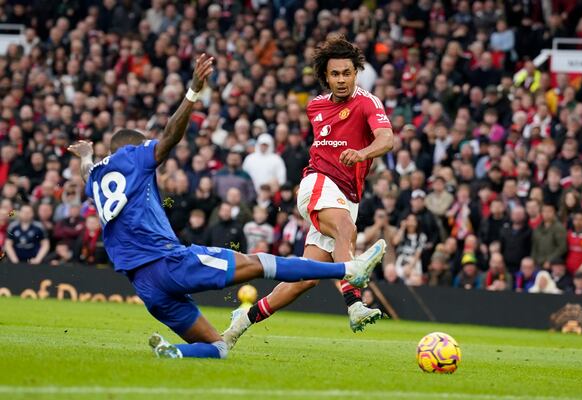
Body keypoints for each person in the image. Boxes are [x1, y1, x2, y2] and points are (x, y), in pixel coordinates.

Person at [67, 54, 386, 359]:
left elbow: (86, 171)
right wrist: (193, 90)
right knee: (261, 261)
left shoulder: (95, 176)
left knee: (218, 347)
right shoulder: (134, 156)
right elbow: (168, 138)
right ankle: (351, 281)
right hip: (170, 263)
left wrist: (85, 156)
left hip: (144, 285)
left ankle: (184, 347)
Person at [224, 35, 394, 346]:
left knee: (307, 278)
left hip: (346, 194)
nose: (341, 80)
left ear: (356, 72)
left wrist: (362, 153)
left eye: (346, 73)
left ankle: (243, 320)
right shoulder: (315, 106)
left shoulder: (368, 102)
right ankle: (354, 303)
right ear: (325, 76)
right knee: (346, 228)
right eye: (334, 74)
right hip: (317, 183)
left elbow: (387, 138)